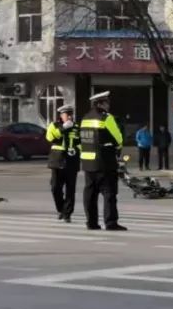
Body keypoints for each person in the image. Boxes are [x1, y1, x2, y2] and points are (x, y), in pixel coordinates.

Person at [79, 91, 126, 231]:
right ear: (100, 104)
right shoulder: (106, 118)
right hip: (104, 161)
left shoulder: (85, 118)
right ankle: (110, 222)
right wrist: (118, 147)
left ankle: (91, 223)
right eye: (107, 103)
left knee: (90, 194)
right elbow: (118, 138)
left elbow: (82, 140)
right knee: (109, 193)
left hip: (88, 162)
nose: (108, 105)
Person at [46, 104, 80, 223]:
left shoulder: (77, 127)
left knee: (71, 189)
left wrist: (77, 151)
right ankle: (61, 209)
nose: (70, 117)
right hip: (57, 161)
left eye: (71, 114)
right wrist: (63, 128)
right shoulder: (54, 125)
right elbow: (50, 137)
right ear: (61, 115)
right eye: (67, 114)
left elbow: (80, 142)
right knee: (55, 188)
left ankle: (67, 214)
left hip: (72, 161)